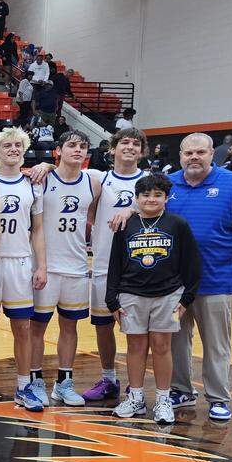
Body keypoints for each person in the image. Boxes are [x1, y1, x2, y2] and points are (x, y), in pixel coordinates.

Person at [165, 132, 232, 421]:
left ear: (211, 155)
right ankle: (180, 390)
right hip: (174, 283)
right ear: (181, 156)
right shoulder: (168, 185)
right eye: (188, 153)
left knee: (216, 343)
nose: (194, 157)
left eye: (200, 152)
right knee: (176, 340)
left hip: (216, 279)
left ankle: (218, 397)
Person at [106, 173, 200, 424]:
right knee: (135, 346)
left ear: (166, 197)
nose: (151, 199)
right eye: (146, 195)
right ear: (136, 198)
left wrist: (186, 298)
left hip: (168, 296)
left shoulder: (177, 225)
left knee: (161, 345)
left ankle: (162, 399)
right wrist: (111, 299)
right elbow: (115, 263)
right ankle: (136, 398)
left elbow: (191, 264)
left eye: (157, 195)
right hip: (131, 294)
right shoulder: (128, 225)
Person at [0, 127, 46, 410]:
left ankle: (23, 386)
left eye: (18, 145)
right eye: (7, 146)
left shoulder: (33, 185)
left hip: (20, 262)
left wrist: (42, 266)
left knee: (23, 328)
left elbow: (37, 230)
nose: (13, 150)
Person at [29, 130, 102, 407]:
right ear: (58, 150)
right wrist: (44, 165)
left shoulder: (93, 183)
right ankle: (35, 381)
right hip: (46, 266)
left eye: (83, 146)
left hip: (77, 266)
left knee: (70, 327)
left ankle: (64, 382)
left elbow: (93, 217)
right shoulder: (43, 179)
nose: (78, 150)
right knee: (38, 327)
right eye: (71, 145)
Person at [80, 127, 148, 401]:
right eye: (124, 143)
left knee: (136, 329)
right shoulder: (99, 179)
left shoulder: (150, 181)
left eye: (135, 144)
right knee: (103, 325)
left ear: (142, 152)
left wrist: (131, 209)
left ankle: (136, 384)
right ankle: (109, 379)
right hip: (104, 264)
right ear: (113, 149)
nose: (129, 147)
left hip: (139, 268)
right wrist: (47, 163)